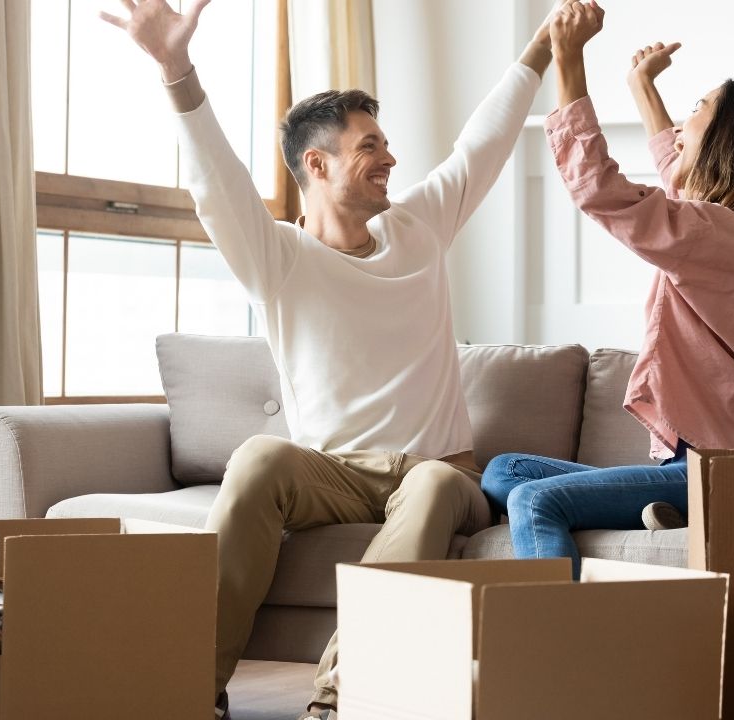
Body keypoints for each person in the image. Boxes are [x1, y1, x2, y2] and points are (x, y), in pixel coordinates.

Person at [99, 1, 567, 717]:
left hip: (439, 470)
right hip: (335, 476)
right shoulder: (279, 258)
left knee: (438, 485)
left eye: (386, 144)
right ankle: (188, 688)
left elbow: (485, 143)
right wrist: (175, 69)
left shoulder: (419, 229)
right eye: (370, 147)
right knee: (258, 457)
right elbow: (215, 184)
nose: (391, 160)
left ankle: (342, 696)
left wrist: (539, 47)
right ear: (317, 165)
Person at [482, 1, 734, 575]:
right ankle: (659, 506)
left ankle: (552, 654)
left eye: (700, 108)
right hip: (695, 466)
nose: (684, 122)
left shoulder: (726, 237)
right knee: (504, 470)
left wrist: (568, 59)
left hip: (719, 470)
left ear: (728, 138)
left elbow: (603, 191)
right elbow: (680, 179)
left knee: (532, 497)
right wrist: (641, 86)